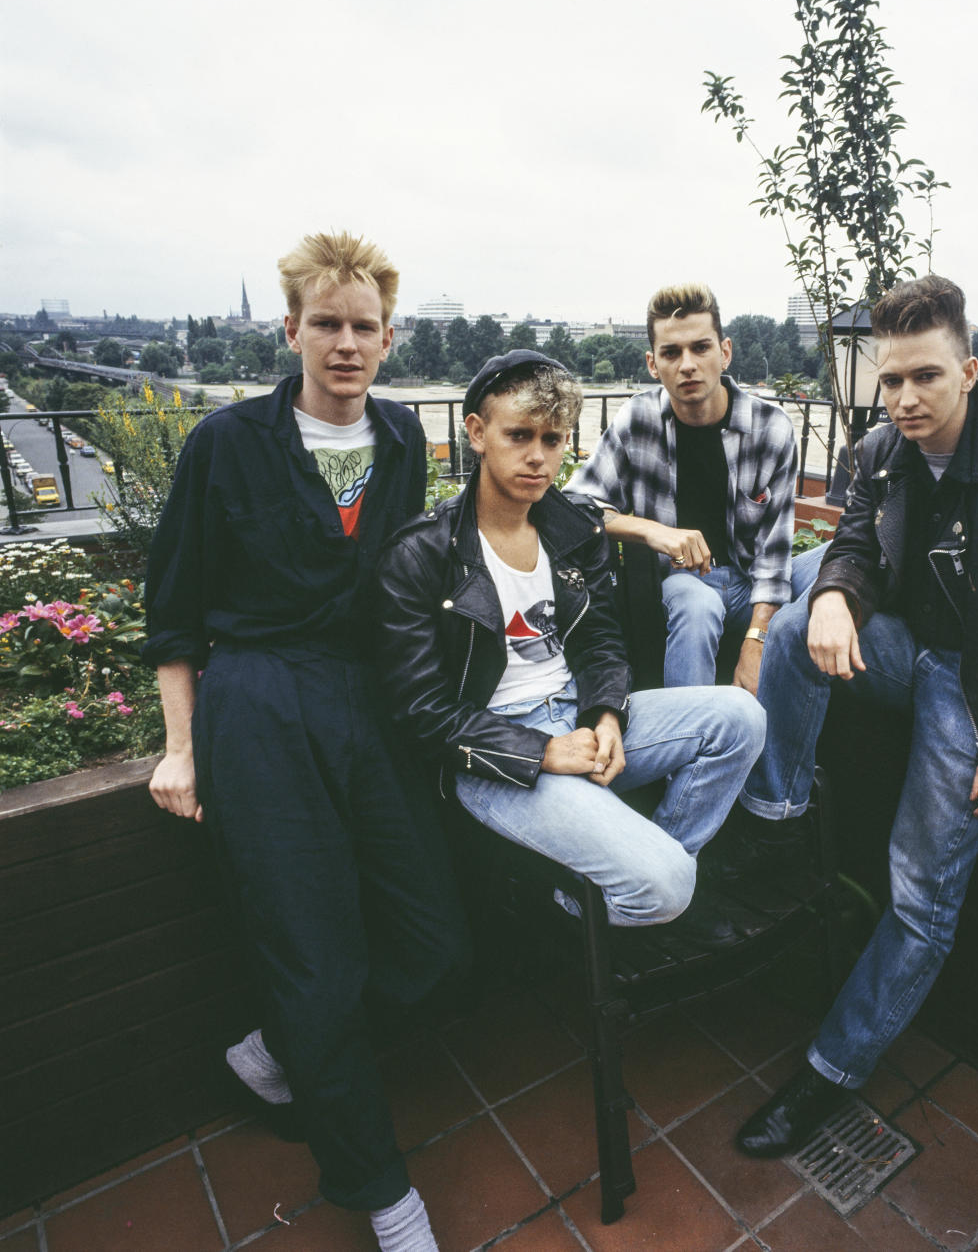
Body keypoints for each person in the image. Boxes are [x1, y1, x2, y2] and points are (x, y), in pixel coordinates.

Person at [145, 231, 466, 1252]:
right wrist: (180, 747)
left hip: (366, 704)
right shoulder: (227, 443)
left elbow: (411, 585)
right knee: (313, 954)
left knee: (435, 939)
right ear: (290, 330)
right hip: (260, 702)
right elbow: (172, 613)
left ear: (387, 339)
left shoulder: (406, 439)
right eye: (323, 322)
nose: (343, 341)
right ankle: (379, 1188)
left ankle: (288, 1040)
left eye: (362, 326)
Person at [734, 274, 978, 1157]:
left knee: (922, 891)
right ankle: (773, 825)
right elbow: (857, 542)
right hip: (907, 648)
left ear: (969, 371)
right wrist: (831, 595)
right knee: (789, 628)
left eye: (925, 377)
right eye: (890, 379)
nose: (904, 398)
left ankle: (830, 1069)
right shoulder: (878, 453)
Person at [372, 350, 767, 949]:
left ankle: (633, 884)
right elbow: (421, 713)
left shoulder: (570, 530)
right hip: (496, 753)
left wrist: (605, 714)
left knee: (742, 717)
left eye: (553, 440)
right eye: (519, 435)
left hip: (579, 719)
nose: (538, 457)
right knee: (667, 885)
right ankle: (603, 902)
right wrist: (540, 751)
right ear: (476, 433)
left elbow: (601, 643)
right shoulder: (422, 553)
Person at [565, 282, 825, 696]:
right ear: (653, 364)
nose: (687, 365)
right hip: (680, 582)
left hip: (746, 581)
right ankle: (693, 740)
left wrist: (756, 641)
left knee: (834, 563)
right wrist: (652, 531)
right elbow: (575, 506)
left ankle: (781, 760)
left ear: (724, 353)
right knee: (697, 604)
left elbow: (774, 557)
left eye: (700, 348)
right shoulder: (638, 419)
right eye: (672, 353)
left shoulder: (770, 427)